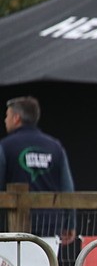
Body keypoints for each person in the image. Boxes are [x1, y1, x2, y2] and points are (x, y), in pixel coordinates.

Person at [0, 96, 77, 243]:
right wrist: (70, 223)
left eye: (7, 116)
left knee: (16, 265)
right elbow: (68, 188)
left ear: (16, 118)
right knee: (47, 265)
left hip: (13, 226)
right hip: (51, 224)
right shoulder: (55, 147)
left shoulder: (5, 146)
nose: (5, 120)